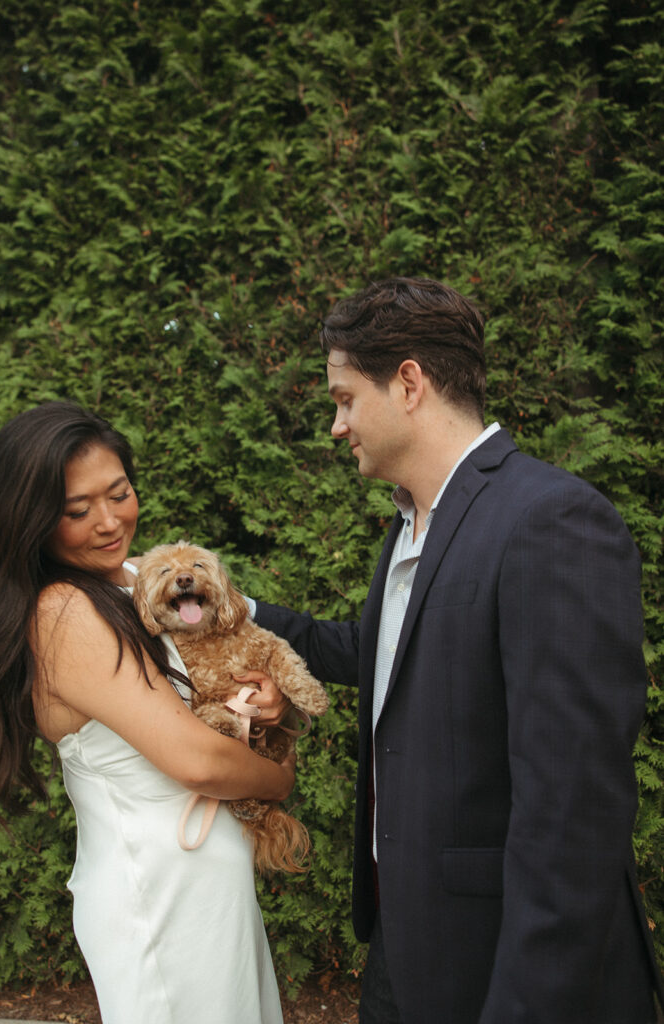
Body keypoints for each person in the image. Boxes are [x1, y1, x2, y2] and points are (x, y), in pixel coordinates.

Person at [252, 278, 664, 1023]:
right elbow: (381, 656)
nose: (336, 426)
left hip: (505, 968)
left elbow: (570, 814)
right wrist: (232, 611)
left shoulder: (551, 521)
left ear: (407, 382)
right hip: (402, 950)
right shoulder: (410, 527)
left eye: (344, 399)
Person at [0, 401, 293, 1024]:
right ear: (32, 519)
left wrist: (268, 703)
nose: (108, 521)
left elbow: (224, 675)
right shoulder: (63, 611)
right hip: (158, 896)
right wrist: (281, 779)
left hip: (204, 887)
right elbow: (197, 761)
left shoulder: (134, 579)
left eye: (119, 493)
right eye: (76, 511)